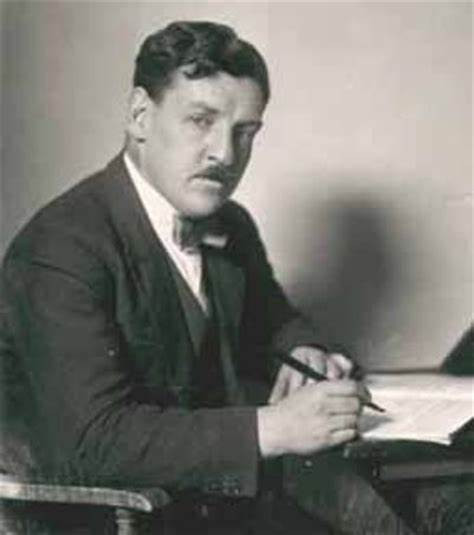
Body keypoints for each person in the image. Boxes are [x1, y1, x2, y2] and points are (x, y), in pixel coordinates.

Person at [0, 21, 365, 533]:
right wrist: (271, 429)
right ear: (140, 116)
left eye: (245, 132)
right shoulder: (60, 247)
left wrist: (305, 350)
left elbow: (275, 321)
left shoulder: (230, 224)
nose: (225, 154)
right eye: (200, 120)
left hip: (220, 507)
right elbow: (93, 441)